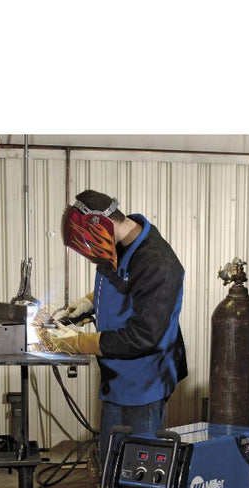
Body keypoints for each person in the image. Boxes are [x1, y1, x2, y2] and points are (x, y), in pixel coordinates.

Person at [39, 190, 188, 471]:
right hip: (116, 377)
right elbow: (122, 286)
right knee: (112, 466)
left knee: (136, 474)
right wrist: (87, 303)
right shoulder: (118, 243)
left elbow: (145, 337)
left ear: (100, 228)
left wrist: (78, 343)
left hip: (144, 384)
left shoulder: (160, 266)